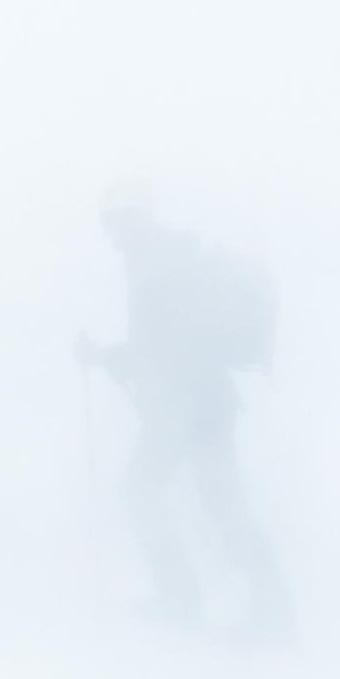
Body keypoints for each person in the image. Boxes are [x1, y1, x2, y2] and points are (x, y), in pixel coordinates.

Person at [77, 182, 293, 642]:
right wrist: (109, 357)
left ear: (132, 219)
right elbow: (165, 342)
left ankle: (198, 601)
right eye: (108, 225)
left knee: (145, 493)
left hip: (187, 403)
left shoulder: (155, 260)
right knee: (218, 503)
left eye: (115, 223)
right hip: (202, 400)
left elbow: (164, 344)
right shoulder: (168, 255)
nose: (111, 235)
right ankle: (264, 608)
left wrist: (107, 358)